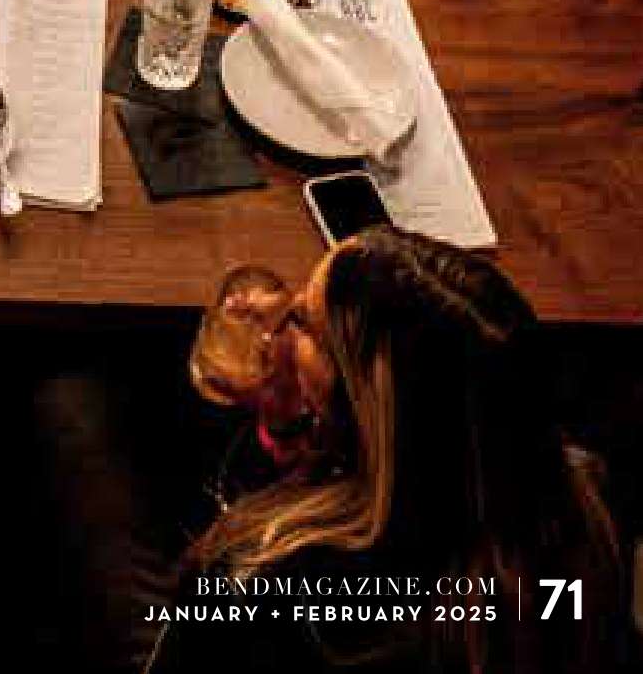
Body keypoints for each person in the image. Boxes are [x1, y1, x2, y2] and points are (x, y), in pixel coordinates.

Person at [144, 231, 623, 671]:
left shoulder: (260, 583)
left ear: (360, 408)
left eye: (305, 323)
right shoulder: (582, 518)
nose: (281, 314)